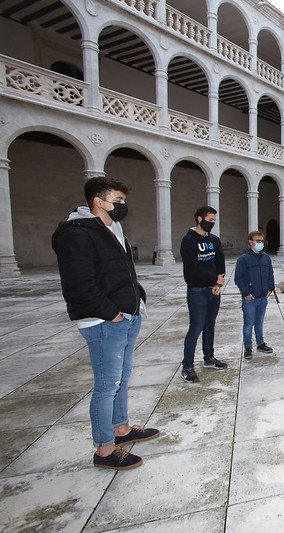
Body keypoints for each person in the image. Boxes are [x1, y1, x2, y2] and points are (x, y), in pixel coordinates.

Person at [52, 177, 159, 470]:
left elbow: (121, 272)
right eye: (118, 200)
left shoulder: (113, 228)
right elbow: (78, 285)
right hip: (103, 321)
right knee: (106, 385)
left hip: (126, 314)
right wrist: (111, 313)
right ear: (98, 201)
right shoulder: (76, 234)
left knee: (121, 378)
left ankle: (121, 429)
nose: (123, 206)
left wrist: (136, 300)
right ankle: (104, 449)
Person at [180, 206, 228, 383]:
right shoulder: (188, 240)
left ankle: (209, 357)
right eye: (210, 220)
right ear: (199, 219)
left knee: (210, 325)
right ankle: (187, 366)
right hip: (197, 290)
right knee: (196, 327)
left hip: (213, 289)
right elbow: (191, 269)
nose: (212, 223)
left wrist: (218, 282)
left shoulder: (214, 240)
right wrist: (213, 278)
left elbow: (219, 261)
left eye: (214, 220)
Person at [234, 230, 275, 359]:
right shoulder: (243, 259)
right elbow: (238, 278)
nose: (260, 243)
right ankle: (247, 347)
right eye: (258, 241)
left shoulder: (266, 257)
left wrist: (270, 288)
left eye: (262, 241)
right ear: (250, 242)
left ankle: (260, 343)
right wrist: (245, 293)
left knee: (259, 322)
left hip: (263, 296)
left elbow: (270, 274)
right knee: (248, 324)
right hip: (250, 298)